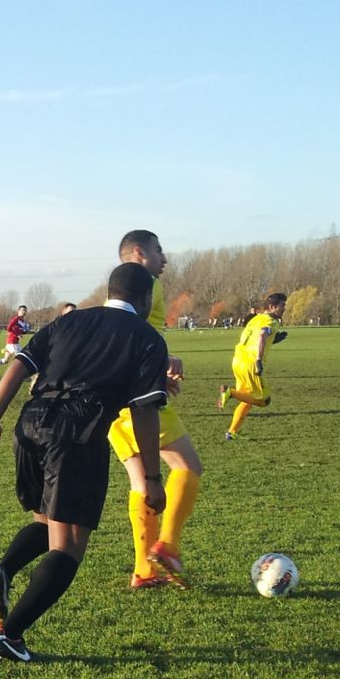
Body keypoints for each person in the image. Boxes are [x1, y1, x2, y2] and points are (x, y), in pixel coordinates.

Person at [0, 264, 168, 662]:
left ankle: (5, 568)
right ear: (145, 300)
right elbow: (145, 413)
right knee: (70, 545)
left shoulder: (68, 321)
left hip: (31, 422)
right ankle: (9, 635)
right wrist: (151, 476)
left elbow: (19, 365)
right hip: (77, 431)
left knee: (46, 520)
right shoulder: (146, 336)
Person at [107, 229, 202, 590]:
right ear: (138, 253)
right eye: (158, 251)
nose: (164, 258)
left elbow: (120, 338)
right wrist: (163, 361)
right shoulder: (146, 284)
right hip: (138, 400)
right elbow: (133, 335)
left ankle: (143, 571)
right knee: (187, 466)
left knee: (138, 483)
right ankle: (169, 547)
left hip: (113, 402)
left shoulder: (114, 293)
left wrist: (159, 365)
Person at [219, 293, 288, 439]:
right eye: (282, 306)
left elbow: (252, 337)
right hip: (251, 363)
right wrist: (258, 360)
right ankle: (230, 392)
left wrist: (274, 339)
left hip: (237, 360)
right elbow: (262, 335)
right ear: (272, 307)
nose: (284, 309)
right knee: (264, 400)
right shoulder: (272, 321)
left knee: (247, 399)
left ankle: (231, 433)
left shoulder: (255, 319)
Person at [0, 305, 31, 371]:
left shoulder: (23, 321)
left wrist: (25, 332)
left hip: (12, 343)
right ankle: (21, 375)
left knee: (5, 360)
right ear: (18, 311)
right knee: (22, 359)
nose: (24, 312)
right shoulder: (16, 319)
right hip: (13, 343)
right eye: (22, 310)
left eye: (25, 310)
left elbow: (20, 331)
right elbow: (9, 328)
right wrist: (17, 335)